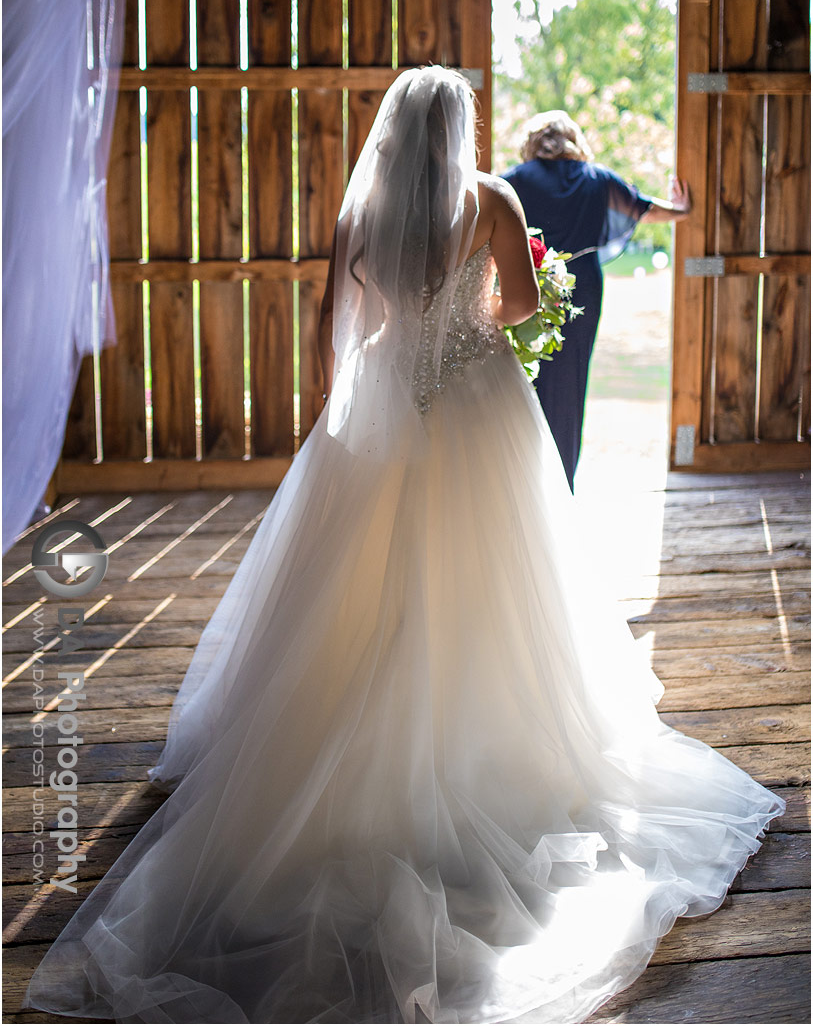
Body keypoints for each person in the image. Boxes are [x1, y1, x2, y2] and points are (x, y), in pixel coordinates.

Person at [23, 67, 783, 1025]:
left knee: (359, 584)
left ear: (393, 132)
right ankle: (489, 737)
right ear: (458, 129)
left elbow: (333, 326)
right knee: (500, 576)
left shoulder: (366, 213)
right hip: (476, 407)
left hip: (382, 406)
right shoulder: (490, 199)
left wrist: (350, 404)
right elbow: (511, 306)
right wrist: (501, 306)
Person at [502, 110, 691, 490]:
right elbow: (644, 208)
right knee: (571, 384)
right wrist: (682, 210)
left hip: (527, 285)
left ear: (533, 142)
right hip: (581, 289)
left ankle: (522, 484)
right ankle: (562, 482)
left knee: (520, 378)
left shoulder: (513, 181)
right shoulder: (599, 179)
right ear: (573, 140)